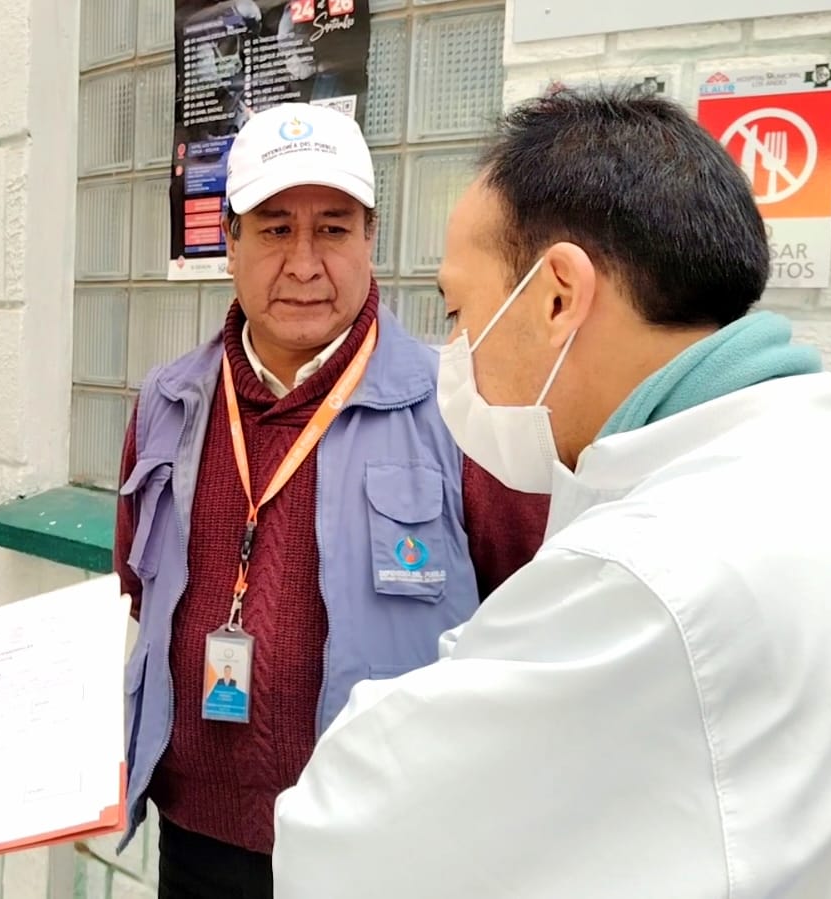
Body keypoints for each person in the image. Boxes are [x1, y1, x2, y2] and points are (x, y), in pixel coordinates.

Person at [272, 85, 831, 897]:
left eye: (458, 310)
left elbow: (349, 828)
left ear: (556, 295)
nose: (455, 349)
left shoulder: (645, 578)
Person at [113, 101, 549, 898]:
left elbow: (534, 619)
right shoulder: (165, 404)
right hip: (197, 838)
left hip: (384, 847)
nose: (304, 263)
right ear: (229, 242)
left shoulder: (458, 406)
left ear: (370, 238)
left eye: (333, 229)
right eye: (275, 229)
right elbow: (137, 589)